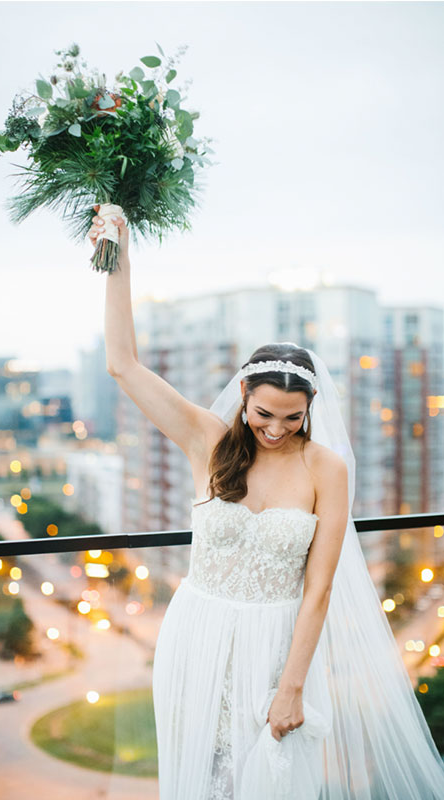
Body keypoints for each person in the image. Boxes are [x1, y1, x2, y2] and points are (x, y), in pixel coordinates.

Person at [89, 209, 444, 799]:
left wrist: (292, 685)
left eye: (292, 417)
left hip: (275, 642)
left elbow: (320, 589)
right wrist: (116, 255)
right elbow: (122, 363)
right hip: (196, 631)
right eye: (263, 414)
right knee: (201, 779)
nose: (275, 429)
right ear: (243, 399)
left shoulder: (324, 468)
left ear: (310, 410)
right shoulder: (206, 439)